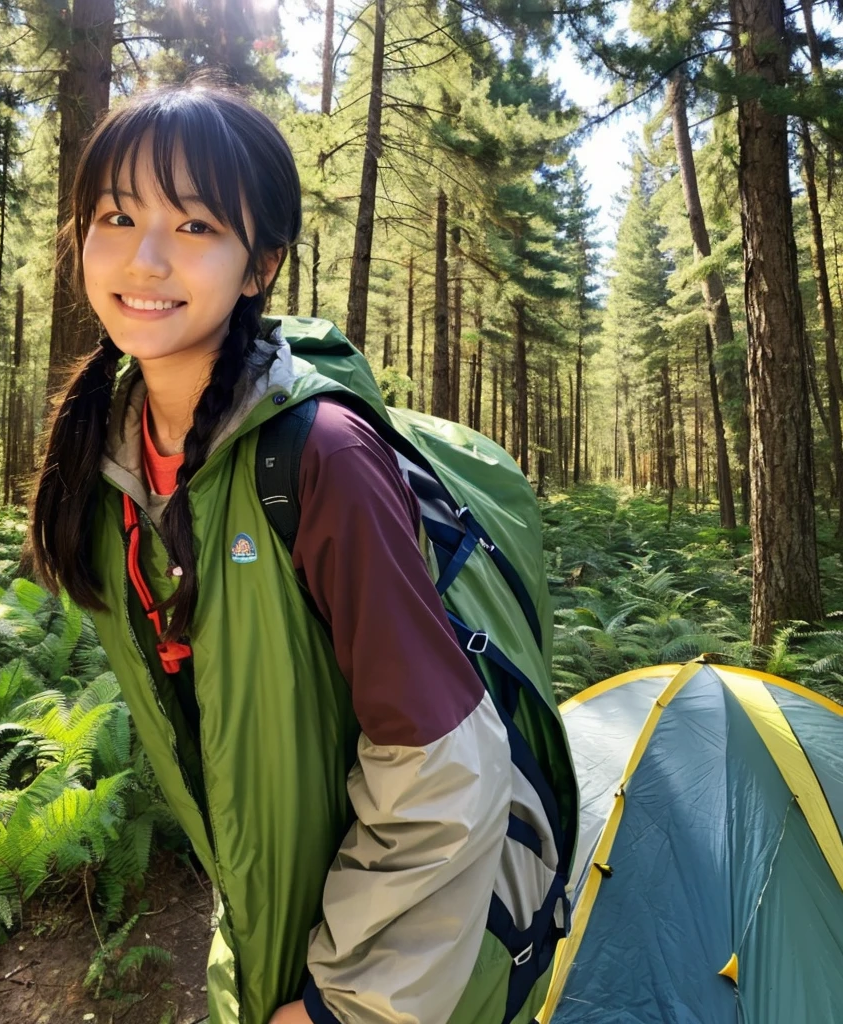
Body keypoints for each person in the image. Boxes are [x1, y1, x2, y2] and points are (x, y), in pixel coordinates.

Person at [31, 82, 559, 1024]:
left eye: (195, 226)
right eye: (116, 216)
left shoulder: (319, 458)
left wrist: (339, 1004)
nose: (145, 258)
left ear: (260, 264)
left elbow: (442, 767)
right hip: (271, 933)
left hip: (401, 979)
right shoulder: (104, 459)